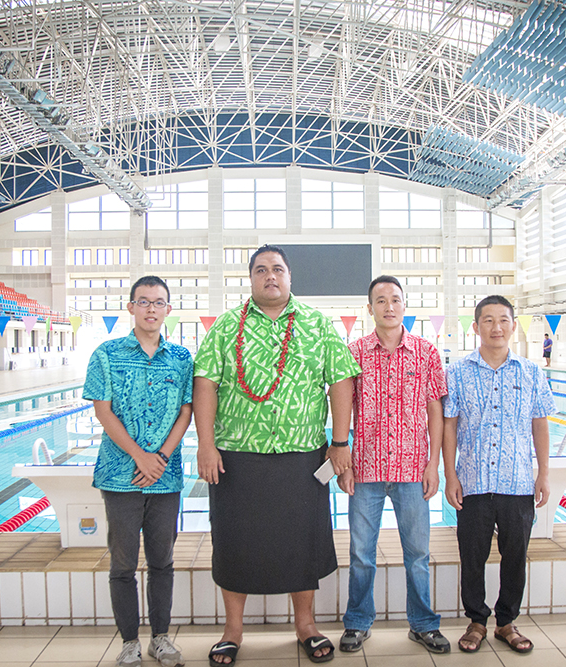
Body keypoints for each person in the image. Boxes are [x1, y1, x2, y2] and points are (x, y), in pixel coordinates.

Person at [193, 244, 360, 665]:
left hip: (302, 457)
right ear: (251, 278)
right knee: (234, 545)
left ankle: (306, 625)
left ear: (289, 277)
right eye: (261, 269)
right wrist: (206, 444)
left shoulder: (317, 325)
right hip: (237, 457)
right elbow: (206, 383)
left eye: (278, 269)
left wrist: (340, 442)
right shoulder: (226, 326)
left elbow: (341, 382)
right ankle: (233, 631)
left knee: (303, 545)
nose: (270, 276)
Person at [83, 276, 192, 667]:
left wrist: (159, 456)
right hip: (120, 476)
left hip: (165, 477)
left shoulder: (181, 358)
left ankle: (160, 638)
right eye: (143, 301)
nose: (151, 309)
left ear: (168, 310)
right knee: (123, 564)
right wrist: (139, 456)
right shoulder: (106, 354)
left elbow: (186, 411)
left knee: (162, 561)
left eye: (158, 302)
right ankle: (129, 641)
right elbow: (103, 411)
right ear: (130, 307)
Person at [337, 276, 450, 655]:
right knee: (361, 554)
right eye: (381, 300)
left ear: (405, 306)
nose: (389, 306)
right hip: (365, 469)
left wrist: (433, 465)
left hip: (412, 470)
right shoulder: (354, 352)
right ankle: (357, 622)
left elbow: (435, 411)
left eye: (395, 299)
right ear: (369, 308)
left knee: (417, 555)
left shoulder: (426, 352)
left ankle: (423, 624)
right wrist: (345, 462)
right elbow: (343, 408)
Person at [442, 295, 555, 655]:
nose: (496, 327)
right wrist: (450, 475)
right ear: (476, 327)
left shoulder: (531, 372)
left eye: (503, 320)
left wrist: (544, 474)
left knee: (515, 556)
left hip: (517, 482)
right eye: (488, 320)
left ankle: (506, 622)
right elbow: (449, 426)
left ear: (513, 325)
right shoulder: (457, 372)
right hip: (473, 481)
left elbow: (540, 424)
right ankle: (476, 621)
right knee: (472, 557)